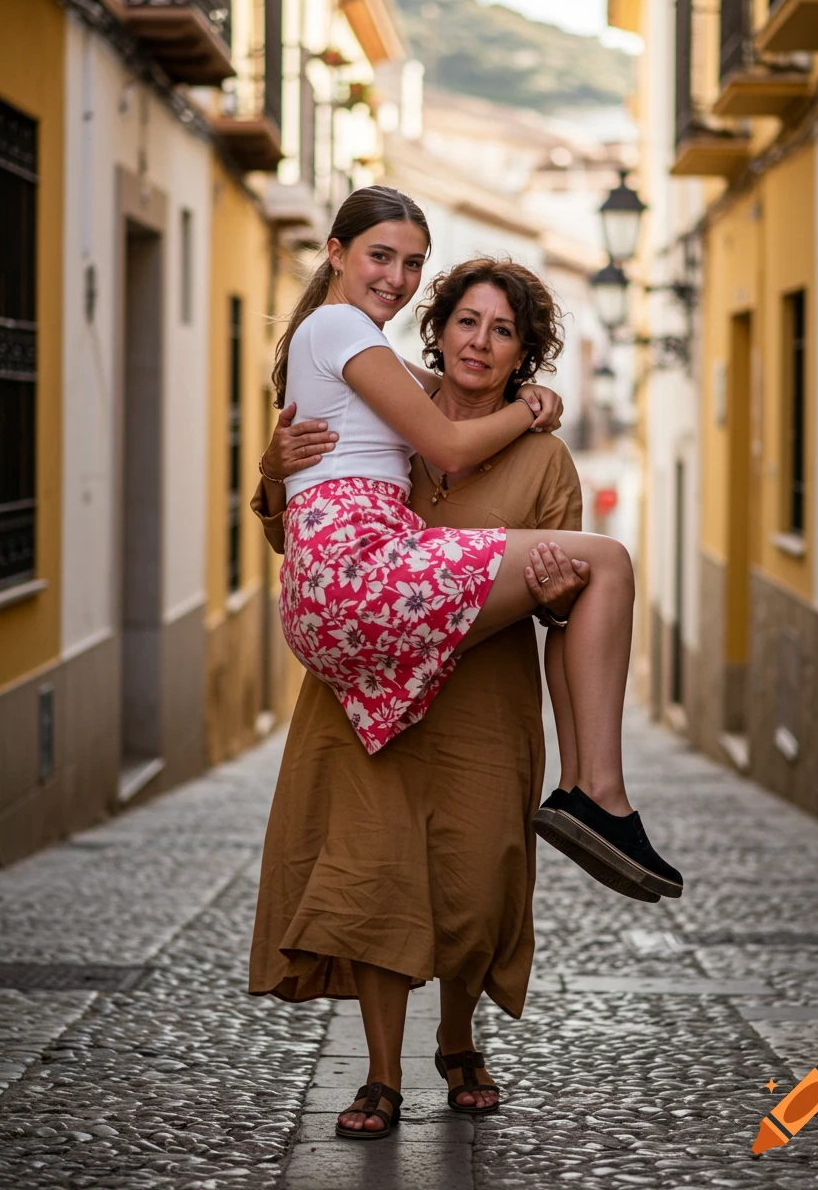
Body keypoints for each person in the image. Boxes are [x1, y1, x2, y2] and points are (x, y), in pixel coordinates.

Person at [250, 257, 592, 1139]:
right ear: (437, 330)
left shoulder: (543, 459)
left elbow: (559, 596)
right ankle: (377, 1075)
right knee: (373, 879)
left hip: (481, 702)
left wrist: (555, 596)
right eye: (467, 322)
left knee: (476, 885)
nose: (480, 342)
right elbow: (303, 537)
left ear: (525, 355)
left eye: (503, 330)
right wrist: (271, 471)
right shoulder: (376, 407)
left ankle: (459, 1035)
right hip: (366, 702)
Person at [266, 184, 679, 911]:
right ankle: (599, 793)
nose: (395, 277)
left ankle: (586, 792)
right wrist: (528, 405)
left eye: (412, 263)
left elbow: (438, 389)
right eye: (380, 256)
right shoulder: (339, 329)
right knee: (609, 560)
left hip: (327, 586)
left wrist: (528, 398)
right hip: (353, 573)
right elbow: (451, 442)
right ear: (335, 253)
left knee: (586, 573)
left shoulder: (354, 347)